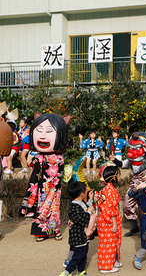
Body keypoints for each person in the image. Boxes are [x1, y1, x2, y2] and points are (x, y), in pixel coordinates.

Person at [20, 112, 70, 241]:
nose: (42, 136)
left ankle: (55, 231)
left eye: (48, 131)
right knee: (41, 208)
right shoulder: (40, 156)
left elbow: (61, 172)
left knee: (54, 209)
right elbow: (35, 172)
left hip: (55, 187)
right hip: (43, 187)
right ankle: (41, 232)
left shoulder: (59, 157)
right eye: (39, 130)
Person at [112, 132, 146, 236]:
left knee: (143, 207)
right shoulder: (131, 157)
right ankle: (134, 227)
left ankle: (145, 229)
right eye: (131, 147)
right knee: (127, 204)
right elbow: (123, 164)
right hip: (134, 183)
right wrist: (114, 160)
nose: (133, 150)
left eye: (137, 147)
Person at [59, 181, 96, 276]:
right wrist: (88, 212)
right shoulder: (74, 207)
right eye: (86, 190)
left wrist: (90, 200)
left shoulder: (80, 203)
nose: (87, 191)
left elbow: (87, 208)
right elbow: (80, 218)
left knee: (83, 254)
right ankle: (67, 272)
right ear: (81, 194)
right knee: (78, 255)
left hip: (82, 236)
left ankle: (81, 271)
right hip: (78, 236)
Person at [96, 162, 123, 273]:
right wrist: (114, 223)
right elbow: (110, 208)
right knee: (108, 243)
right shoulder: (111, 190)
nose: (120, 177)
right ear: (113, 177)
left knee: (109, 242)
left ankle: (111, 261)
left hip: (103, 220)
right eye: (119, 175)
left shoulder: (107, 188)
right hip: (109, 221)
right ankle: (105, 267)